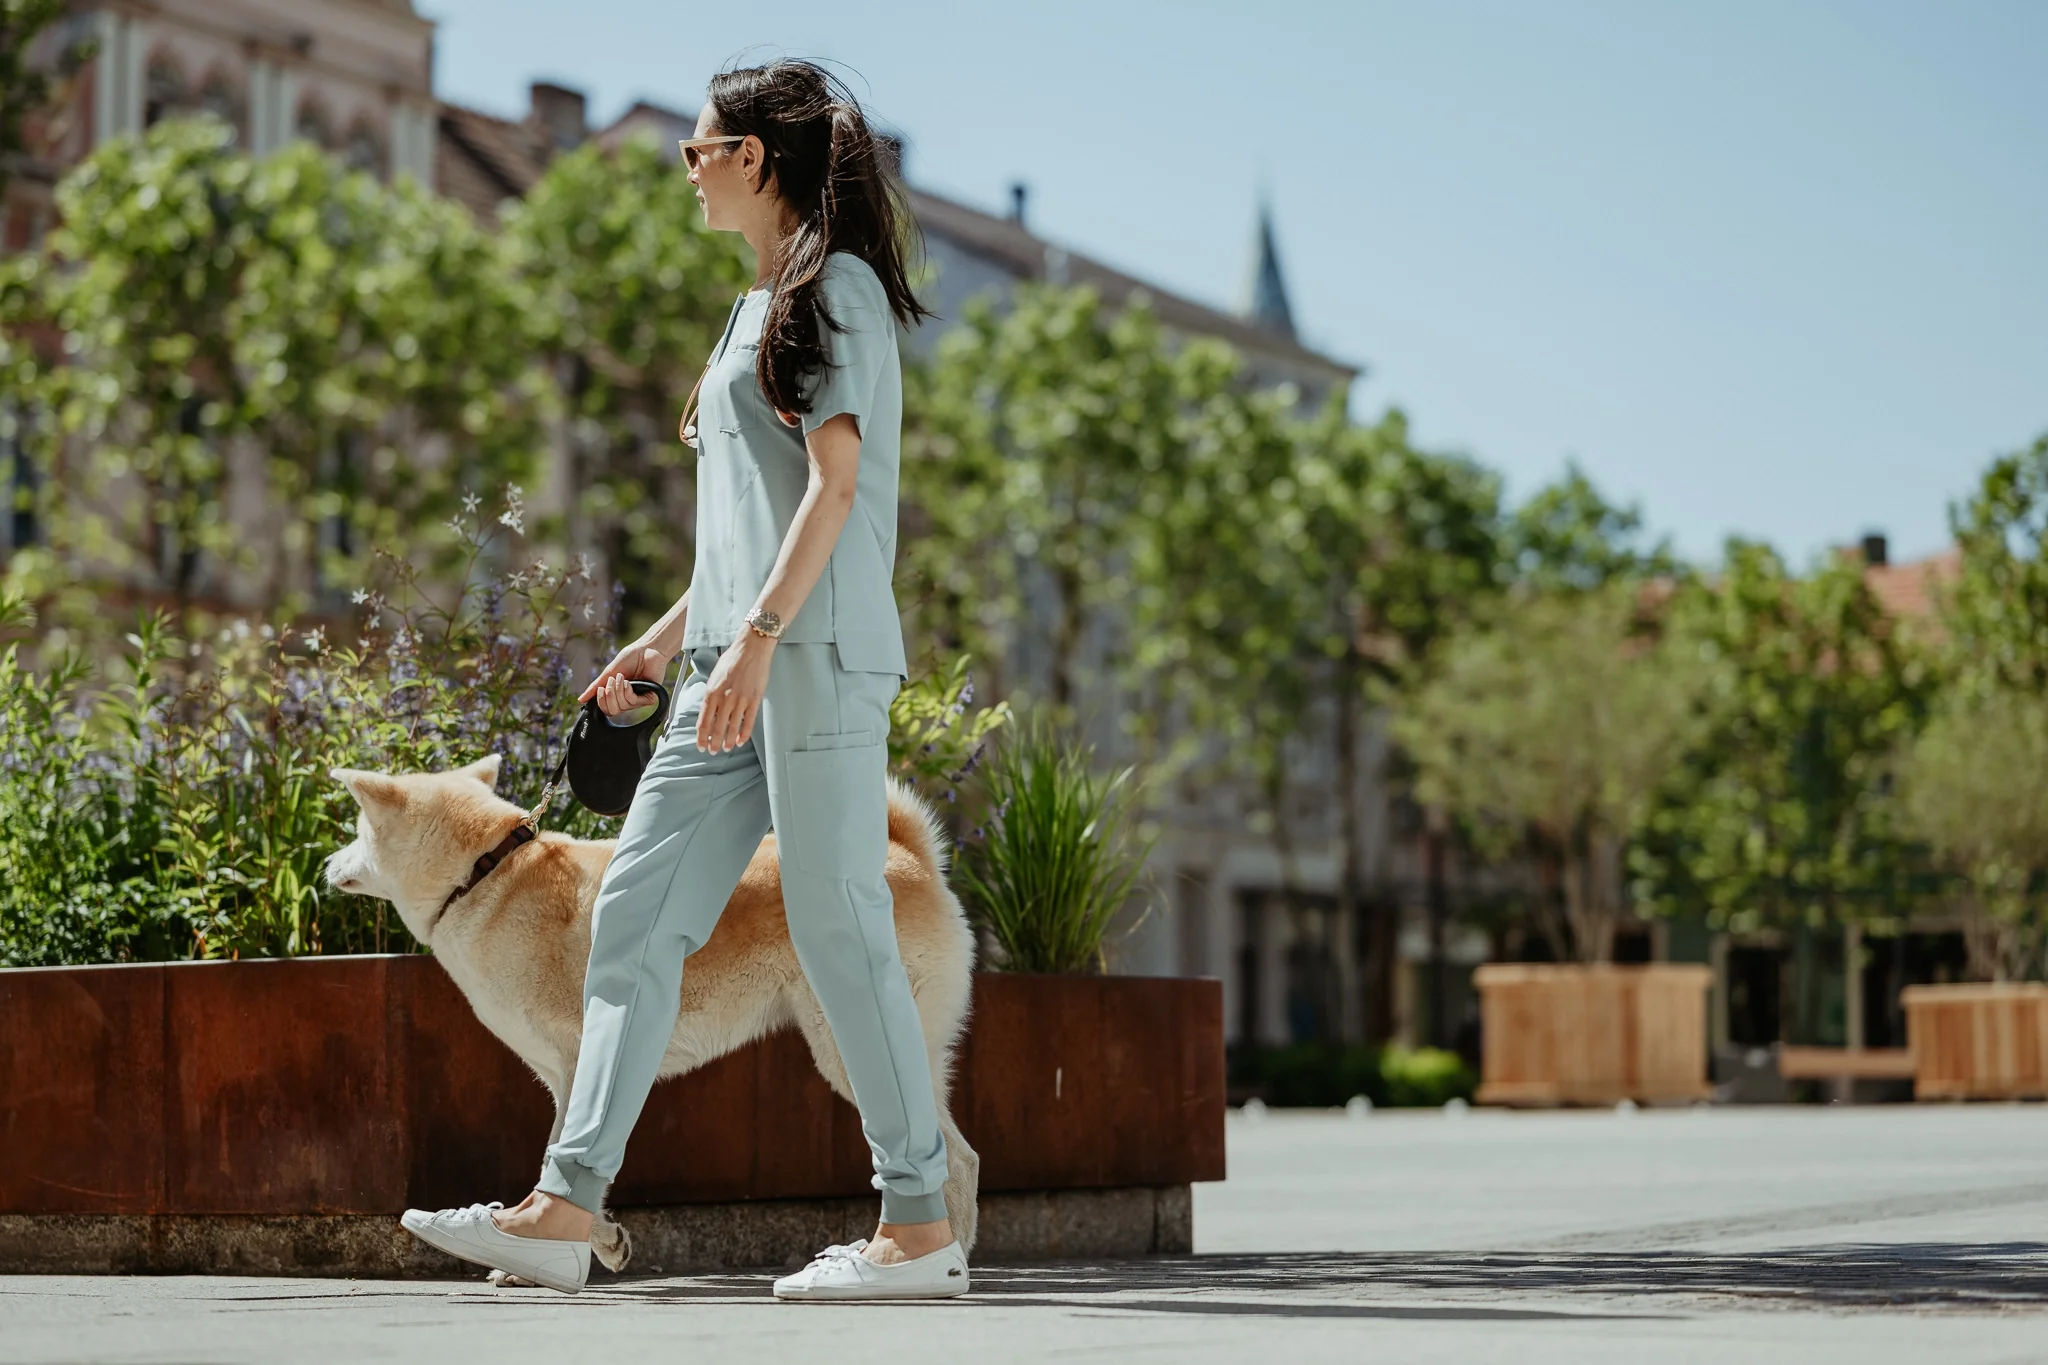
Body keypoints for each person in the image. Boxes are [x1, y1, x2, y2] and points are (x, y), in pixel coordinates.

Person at [399, 58, 964, 1301]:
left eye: (697, 150)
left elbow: (834, 489)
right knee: (636, 921)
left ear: (753, 159)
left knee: (835, 919)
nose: (688, 171)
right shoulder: (746, 309)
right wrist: (666, 642)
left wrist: (756, 640)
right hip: (724, 665)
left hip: (803, 657)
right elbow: (743, 524)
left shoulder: (838, 290)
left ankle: (919, 1226)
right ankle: (563, 1210)